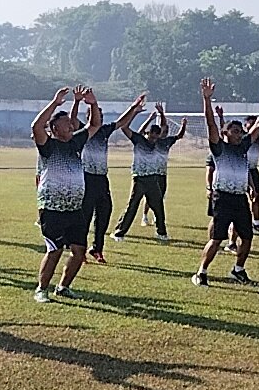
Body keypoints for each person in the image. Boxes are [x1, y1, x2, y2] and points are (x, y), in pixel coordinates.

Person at [192, 79, 259, 286]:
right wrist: (206, 99)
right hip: (223, 198)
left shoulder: (243, 148)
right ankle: (201, 273)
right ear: (225, 133)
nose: (240, 134)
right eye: (235, 131)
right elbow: (210, 123)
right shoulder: (219, 149)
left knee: (247, 238)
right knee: (216, 239)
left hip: (240, 200)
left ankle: (238, 270)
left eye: (241, 131)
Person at [32, 86, 101, 303]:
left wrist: (93, 103)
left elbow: (95, 124)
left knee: (79, 252)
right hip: (53, 208)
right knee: (54, 250)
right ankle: (41, 290)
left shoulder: (75, 143)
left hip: (74, 209)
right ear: (54, 128)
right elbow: (36, 126)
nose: (71, 125)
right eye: (65, 123)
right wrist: (55, 103)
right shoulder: (48, 145)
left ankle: (63, 287)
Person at [69, 87, 143, 263]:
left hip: (102, 178)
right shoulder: (83, 130)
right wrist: (77, 101)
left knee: (104, 213)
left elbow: (121, 123)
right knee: (85, 216)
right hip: (86, 178)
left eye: (101, 116)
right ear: (89, 117)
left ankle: (97, 248)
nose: (99, 118)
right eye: (96, 115)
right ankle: (81, 249)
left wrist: (133, 108)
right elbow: (72, 119)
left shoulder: (104, 131)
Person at [113, 102, 186, 242]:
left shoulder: (161, 143)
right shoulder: (139, 140)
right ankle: (119, 233)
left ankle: (161, 232)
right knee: (132, 206)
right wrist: (135, 112)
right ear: (149, 133)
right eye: (152, 135)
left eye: (156, 136)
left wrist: (162, 114)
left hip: (153, 179)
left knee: (158, 207)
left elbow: (167, 129)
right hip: (139, 179)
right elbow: (124, 127)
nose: (153, 138)